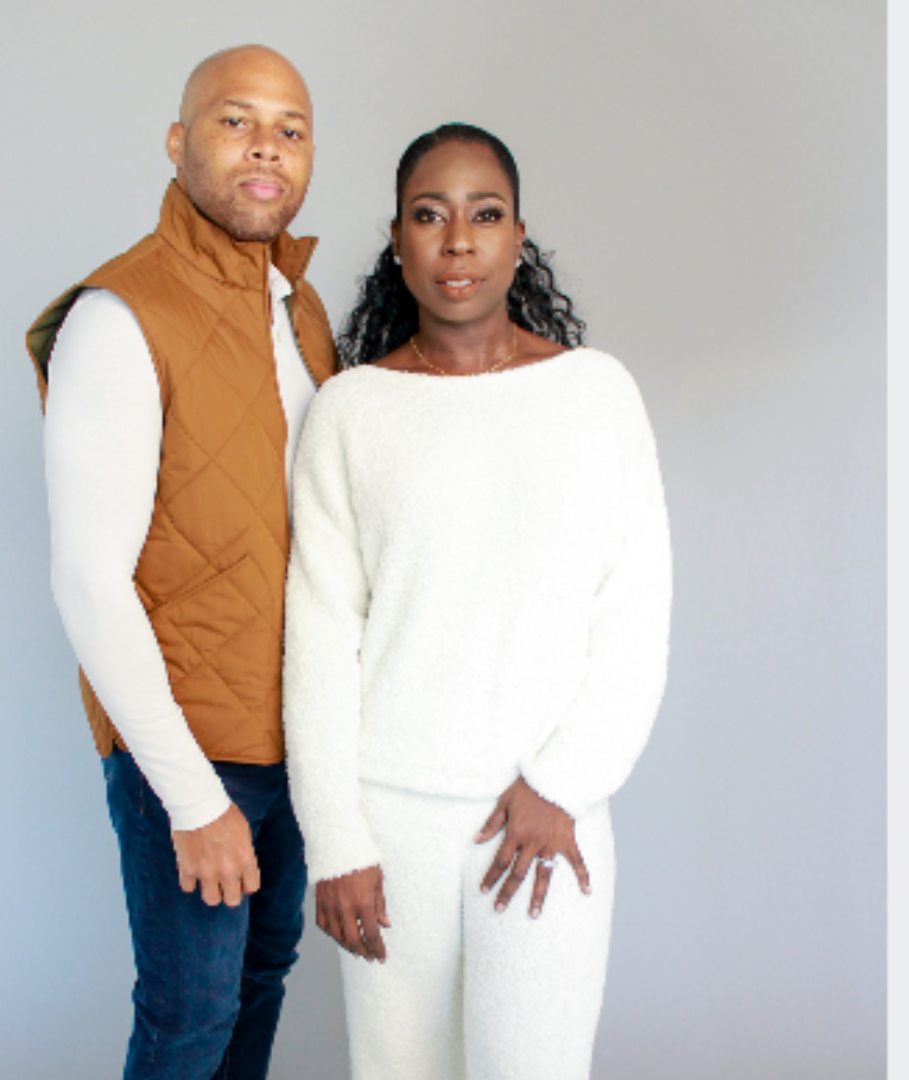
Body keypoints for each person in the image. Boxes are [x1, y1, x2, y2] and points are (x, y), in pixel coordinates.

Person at [282, 123, 672, 1080]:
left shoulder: (596, 395)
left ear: (518, 235)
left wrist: (563, 784)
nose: (458, 240)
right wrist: (336, 840)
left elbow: (635, 613)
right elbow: (321, 636)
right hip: (390, 820)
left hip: (547, 816)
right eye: (430, 216)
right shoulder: (351, 411)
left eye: (484, 214)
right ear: (397, 239)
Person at [24, 45, 337, 1080]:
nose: (266, 148)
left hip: (298, 734)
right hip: (191, 751)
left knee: (259, 980)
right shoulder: (121, 314)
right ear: (178, 141)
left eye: (290, 129)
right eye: (235, 121)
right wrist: (194, 799)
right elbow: (87, 578)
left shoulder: (299, 310)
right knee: (190, 1017)